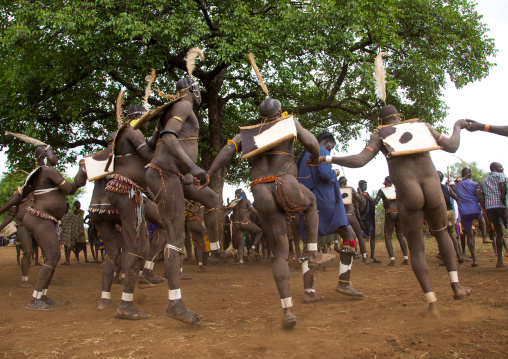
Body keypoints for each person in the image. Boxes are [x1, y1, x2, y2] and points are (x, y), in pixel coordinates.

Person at [319, 102, 472, 315]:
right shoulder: (423, 126)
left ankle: (432, 303)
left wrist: (327, 157)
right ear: (399, 117)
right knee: (442, 234)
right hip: (433, 189)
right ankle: (456, 287)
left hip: (409, 194)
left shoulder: (380, 135)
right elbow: (453, 146)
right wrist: (457, 125)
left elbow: (361, 159)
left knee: (416, 248)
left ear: (380, 122)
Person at [206, 96, 335, 329]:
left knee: (279, 253)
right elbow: (312, 143)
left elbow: (227, 150)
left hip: (259, 188)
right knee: (312, 202)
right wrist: (316, 158)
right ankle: (313, 252)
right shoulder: (289, 123)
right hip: (285, 182)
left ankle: (287, 310)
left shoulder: (247, 133)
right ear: (279, 112)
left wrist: (209, 173)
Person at [5, 133, 87, 310]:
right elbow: (70, 189)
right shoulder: (49, 170)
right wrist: (82, 169)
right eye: (53, 153)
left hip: (40, 218)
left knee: (53, 256)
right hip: (39, 218)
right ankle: (35, 299)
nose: (56, 156)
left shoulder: (41, 173)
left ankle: (43, 295)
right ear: (44, 157)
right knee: (52, 256)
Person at [298, 131, 364, 297]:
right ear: (325, 141)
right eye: (331, 146)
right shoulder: (321, 151)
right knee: (349, 237)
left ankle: (309, 292)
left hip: (307, 203)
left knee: (310, 247)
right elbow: (326, 174)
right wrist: (335, 172)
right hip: (326, 202)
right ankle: (344, 283)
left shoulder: (301, 156)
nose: (331, 151)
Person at [0, 190, 35, 286]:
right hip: (22, 226)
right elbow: (11, 214)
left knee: (50, 253)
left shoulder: (40, 195)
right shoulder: (19, 197)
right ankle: (25, 279)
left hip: (39, 227)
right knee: (27, 252)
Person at [449, 168, 483, 267]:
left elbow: (451, 192)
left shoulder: (457, 186)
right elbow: (479, 196)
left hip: (463, 212)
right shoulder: (475, 184)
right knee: (481, 218)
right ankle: (484, 235)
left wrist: (459, 200)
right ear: (469, 175)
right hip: (475, 210)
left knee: (469, 235)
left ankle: (475, 259)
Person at [338, 177, 373, 264]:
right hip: (350, 215)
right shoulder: (350, 189)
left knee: (345, 236)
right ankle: (365, 256)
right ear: (346, 182)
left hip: (340, 216)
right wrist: (358, 193)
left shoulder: (335, 190)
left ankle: (347, 257)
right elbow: (360, 199)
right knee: (359, 234)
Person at [375, 176, 409, 265]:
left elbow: (375, 202)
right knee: (400, 235)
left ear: (385, 182)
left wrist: (366, 197)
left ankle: (392, 259)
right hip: (399, 213)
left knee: (388, 236)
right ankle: (406, 258)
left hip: (389, 213)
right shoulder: (397, 189)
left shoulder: (382, 190)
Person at [479, 162, 508, 268]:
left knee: (499, 232)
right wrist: (505, 204)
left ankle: (499, 261)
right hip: (501, 206)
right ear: (495, 168)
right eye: (501, 167)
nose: (503, 168)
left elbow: (481, 197)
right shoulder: (501, 175)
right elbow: (502, 189)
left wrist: (485, 207)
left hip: (490, 208)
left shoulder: (483, 181)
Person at [437, 171, 465, 263]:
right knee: (451, 234)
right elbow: (456, 197)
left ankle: (446, 259)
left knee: (443, 235)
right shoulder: (447, 188)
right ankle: (459, 256)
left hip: (440, 213)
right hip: (450, 212)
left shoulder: (434, 188)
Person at [230, 189, 262, 268]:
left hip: (236, 224)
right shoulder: (246, 201)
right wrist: (262, 216)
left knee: (241, 244)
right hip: (245, 223)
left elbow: (228, 212)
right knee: (259, 232)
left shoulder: (233, 202)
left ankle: (241, 262)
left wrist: (221, 218)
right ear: (242, 194)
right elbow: (254, 211)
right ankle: (253, 248)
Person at [358, 180, 380, 263]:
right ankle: (364, 254)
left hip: (368, 218)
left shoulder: (363, 194)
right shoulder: (361, 195)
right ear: (362, 186)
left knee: (370, 236)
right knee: (362, 236)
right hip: (363, 218)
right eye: (365, 185)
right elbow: (374, 202)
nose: (366, 186)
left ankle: (371, 255)